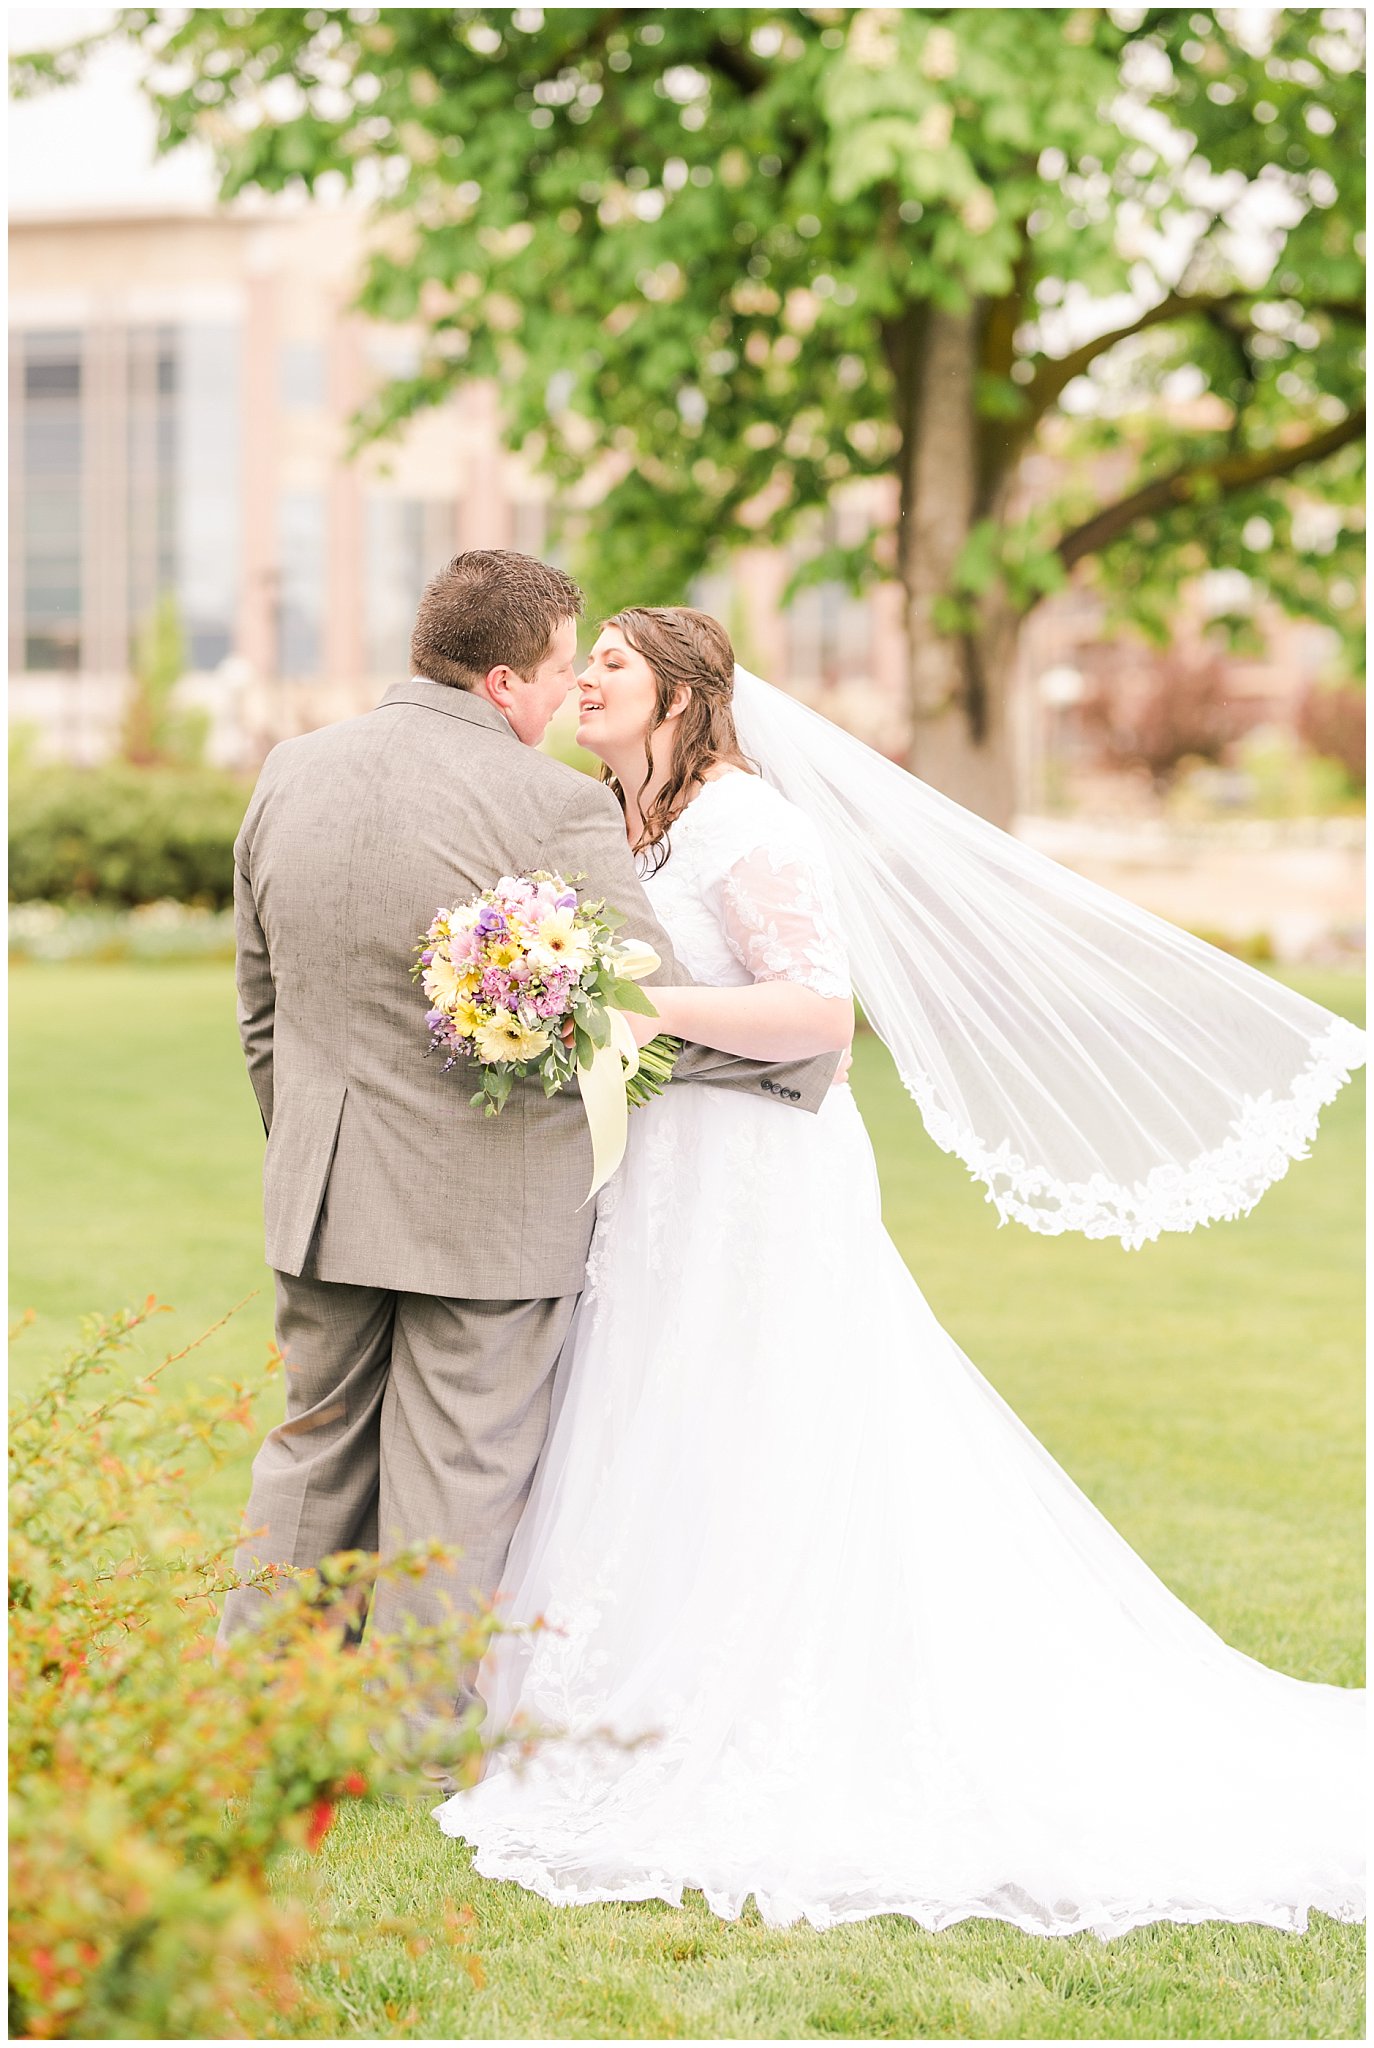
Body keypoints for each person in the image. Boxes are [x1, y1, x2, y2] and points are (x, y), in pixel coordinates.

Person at [435, 604, 1365, 1940]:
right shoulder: (636, 826)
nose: (584, 682)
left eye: (612, 667)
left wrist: (617, 1003)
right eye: (581, 666)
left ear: (685, 698)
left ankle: (762, 1707)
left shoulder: (753, 825)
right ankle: (631, 1697)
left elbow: (818, 1012)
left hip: (757, 1177)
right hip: (660, 1174)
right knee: (664, 1422)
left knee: (766, 1427)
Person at [217, 555, 841, 1786]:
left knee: (312, 1446)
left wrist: (310, 1146)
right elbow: (629, 1018)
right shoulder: (553, 807)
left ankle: (257, 1712)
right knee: (458, 1472)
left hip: (324, 1188)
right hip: (492, 1211)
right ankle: (406, 1749)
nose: (567, 698)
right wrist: (789, 1076)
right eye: (563, 671)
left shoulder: (290, 771)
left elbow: (261, 1009)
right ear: (506, 679)